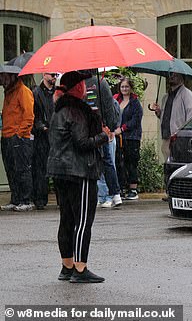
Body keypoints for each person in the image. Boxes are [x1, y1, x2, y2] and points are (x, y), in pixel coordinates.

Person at [47, 71, 110, 283]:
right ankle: (80, 269)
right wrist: (104, 136)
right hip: (80, 171)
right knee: (83, 220)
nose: (85, 87)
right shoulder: (77, 112)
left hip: (60, 171)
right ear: (77, 88)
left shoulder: (58, 110)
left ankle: (67, 265)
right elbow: (82, 143)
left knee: (66, 218)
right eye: (82, 84)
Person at [85, 75, 122, 208]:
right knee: (103, 162)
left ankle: (113, 194)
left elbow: (109, 107)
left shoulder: (100, 83)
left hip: (100, 130)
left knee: (105, 160)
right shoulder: (95, 83)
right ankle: (107, 194)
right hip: (95, 129)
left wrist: (110, 127)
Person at [0, 72, 34, 212]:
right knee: (11, 170)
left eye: (4, 76)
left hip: (18, 137)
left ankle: (26, 200)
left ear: (12, 76)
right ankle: (16, 199)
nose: (2, 79)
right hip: (7, 135)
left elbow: (29, 116)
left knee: (22, 169)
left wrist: (19, 134)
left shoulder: (23, 91)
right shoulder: (9, 92)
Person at [150, 72, 192, 162]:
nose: (172, 77)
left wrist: (184, 134)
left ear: (182, 77)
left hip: (179, 139)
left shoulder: (187, 95)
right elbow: (168, 117)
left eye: (175, 75)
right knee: (167, 166)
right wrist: (159, 113)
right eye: (170, 74)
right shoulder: (166, 97)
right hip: (166, 137)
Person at [113, 78, 143, 200]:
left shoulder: (135, 102)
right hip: (118, 136)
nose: (124, 89)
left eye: (126, 87)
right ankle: (121, 187)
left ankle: (133, 189)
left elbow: (136, 120)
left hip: (132, 137)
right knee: (120, 163)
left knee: (131, 162)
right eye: (122, 87)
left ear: (130, 88)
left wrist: (123, 128)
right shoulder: (116, 100)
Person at [31, 72, 57, 210]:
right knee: (41, 168)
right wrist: (41, 127)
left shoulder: (57, 93)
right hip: (42, 135)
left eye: (56, 74)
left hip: (56, 134)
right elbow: (33, 115)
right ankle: (40, 199)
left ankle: (61, 199)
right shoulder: (36, 92)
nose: (55, 77)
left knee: (58, 168)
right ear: (44, 74)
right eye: (52, 74)